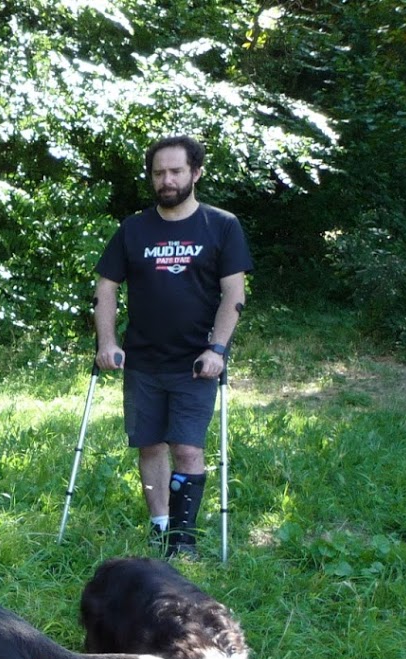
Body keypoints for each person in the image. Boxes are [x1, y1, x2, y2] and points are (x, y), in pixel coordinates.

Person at [94, 134, 252, 557]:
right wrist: (107, 341)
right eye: (159, 172)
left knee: (186, 446)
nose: (166, 179)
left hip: (196, 360)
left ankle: (184, 539)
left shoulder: (221, 225)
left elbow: (233, 293)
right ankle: (160, 526)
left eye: (176, 171)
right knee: (150, 444)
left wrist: (217, 349)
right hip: (142, 358)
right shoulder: (134, 228)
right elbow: (106, 287)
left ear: (195, 173)